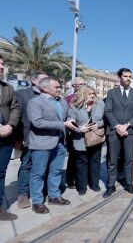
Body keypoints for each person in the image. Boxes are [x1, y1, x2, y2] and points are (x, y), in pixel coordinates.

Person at [27, 77, 77, 214]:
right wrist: (62, 124)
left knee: (56, 171)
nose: (60, 89)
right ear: (45, 88)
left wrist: (69, 120)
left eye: (59, 87)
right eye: (56, 87)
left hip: (60, 142)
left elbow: (65, 117)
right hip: (41, 143)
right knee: (38, 173)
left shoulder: (61, 101)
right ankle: (37, 201)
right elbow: (38, 122)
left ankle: (54, 196)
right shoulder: (35, 102)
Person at [103, 68, 133, 198]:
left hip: (130, 131)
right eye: (125, 76)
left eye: (130, 76)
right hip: (114, 131)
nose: (128, 78)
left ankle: (128, 183)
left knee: (129, 159)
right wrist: (117, 126)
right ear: (119, 77)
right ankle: (110, 185)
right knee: (112, 160)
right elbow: (108, 111)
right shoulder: (111, 93)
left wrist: (127, 125)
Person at [14, 71, 49, 209]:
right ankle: (22, 194)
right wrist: (17, 139)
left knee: (43, 165)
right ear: (34, 80)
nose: (47, 81)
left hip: (46, 138)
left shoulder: (49, 95)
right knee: (26, 165)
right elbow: (17, 117)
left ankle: (41, 190)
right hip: (28, 137)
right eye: (44, 79)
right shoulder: (21, 94)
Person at [67, 86, 104, 195]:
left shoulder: (100, 104)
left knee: (95, 162)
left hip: (95, 138)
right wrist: (79, 129)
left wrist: (99, 124)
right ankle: (82, 187)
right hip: (80, 139)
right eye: (90, 93)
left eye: (94, 93)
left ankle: (94, 184)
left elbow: (106, 119)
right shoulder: (74, 107)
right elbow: (70, 122)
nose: (92, 95)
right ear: (83, 94)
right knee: (81, 164)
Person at [0, 54, 21, 221]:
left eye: (2, 64)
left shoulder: (8, 88)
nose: (2, 67)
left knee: (1, 173)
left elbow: (15, 108)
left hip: (5, 137)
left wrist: (10, 125)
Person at [64, 77, 86, 189]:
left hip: (87, 133)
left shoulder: (89, 97)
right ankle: (70, 180)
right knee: (73, 157)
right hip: (73, 132)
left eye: (84, 83)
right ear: (74, 86)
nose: (83, 85)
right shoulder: (68, 99)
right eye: (81, 84)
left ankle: (82, 179)